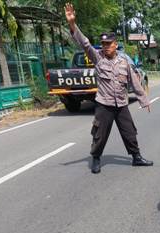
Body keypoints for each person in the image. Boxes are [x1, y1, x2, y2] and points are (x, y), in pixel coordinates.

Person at [64, 3, 153, 174]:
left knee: (130, 132)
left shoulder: (124, 62)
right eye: (103, 43)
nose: (105, 46)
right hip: (104, 105)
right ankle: (96, 158)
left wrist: (144, 100)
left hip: (121, 104)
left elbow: (134, 82)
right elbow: (85, 43)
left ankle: (136, 157)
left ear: (115, 44)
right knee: (99, 135)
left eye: (108, 43)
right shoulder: (98, 59)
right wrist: (72, 24)